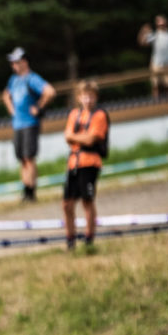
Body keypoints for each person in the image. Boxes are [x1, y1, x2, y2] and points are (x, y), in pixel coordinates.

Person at [62, 79, 110, 253]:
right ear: (79, 97)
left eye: (91, 96)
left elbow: (91, 139)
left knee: (87, 201)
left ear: (96, 97)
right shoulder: (74, 114)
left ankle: (89, 239)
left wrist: (75, 137)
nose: (88, 100)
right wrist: (80, 137)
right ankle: (70, 240)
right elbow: (67, 136)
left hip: (90, 163)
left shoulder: (100, 115)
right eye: (84, 96)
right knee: (67, 203)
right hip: (73, 163)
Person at [3, 47, 56, 202]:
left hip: (30, 123)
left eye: (16, 62)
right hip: (17, 124)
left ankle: (31, 191)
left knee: (29, 157)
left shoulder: (32, 78)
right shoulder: (13, 80)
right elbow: (5, 95)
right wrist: (11, 110)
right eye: (12, 63)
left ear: (24, 62)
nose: (14, 65)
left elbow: (50, 91)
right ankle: (25, 190)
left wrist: (39, 107)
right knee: (22, 159)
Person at [138, 15, 168, 99]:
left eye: (161, 21)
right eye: (158, 21)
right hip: (156, 64)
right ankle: (156, 103)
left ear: (166, 22)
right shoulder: (154, 34)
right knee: (155, 86)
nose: (160, 24)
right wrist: (143, 31)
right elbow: (142, 43)